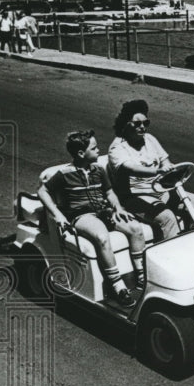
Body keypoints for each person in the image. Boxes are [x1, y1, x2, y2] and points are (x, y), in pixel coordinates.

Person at [37, 129, 146, 306]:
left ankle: (142, 277)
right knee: (102, 237)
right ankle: (117, 286)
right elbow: (42, 191)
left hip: (104, 211)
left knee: (135, 228)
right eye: (94, 148)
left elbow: (109, 192)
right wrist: (57, 215)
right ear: (81, 153)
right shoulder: (64, 174)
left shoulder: (99, 170)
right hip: (82, 215)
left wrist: (117, 208)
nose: (98, 150)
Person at [107, 99, 194, 239]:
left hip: (160, 191)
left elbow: (165, 162)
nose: (143, 127)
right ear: (125, 124)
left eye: (146, 123)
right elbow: (131, 168)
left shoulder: (149, 139)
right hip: (135, 198)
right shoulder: (117, 147)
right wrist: (157, 171)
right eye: (137, 124)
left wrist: (173, 171)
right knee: (167, 217)